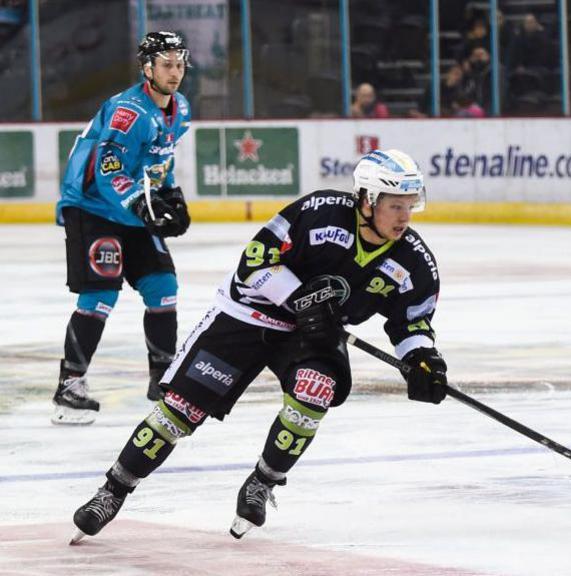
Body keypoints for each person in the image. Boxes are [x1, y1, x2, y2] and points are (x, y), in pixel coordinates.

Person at [69, 149, 448, 542]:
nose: (405, 217)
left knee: (314, 391)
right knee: (178, 412)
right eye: (395, 206)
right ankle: (111, 492)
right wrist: (301, 298)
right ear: (368, 200)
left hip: (311, 336)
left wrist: (423, 359)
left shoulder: (413, 260)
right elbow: (255, 261)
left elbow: (411, 321)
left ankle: (263, 482)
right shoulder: (319, 211)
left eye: (410, 206)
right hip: (247, 315)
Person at [52, 31, 193, 425]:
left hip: (132, 208)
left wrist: (169, 196)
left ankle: (162, 376)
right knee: (100, 294)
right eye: (166, 64)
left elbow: (158, 159)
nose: (175, 72)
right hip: (93, 206)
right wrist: (140, 203)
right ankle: (70, 385)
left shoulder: (179, 108)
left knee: (163, 287)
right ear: (147, 68)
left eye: (180, 64)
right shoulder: (127, 111)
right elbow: (107, 167)